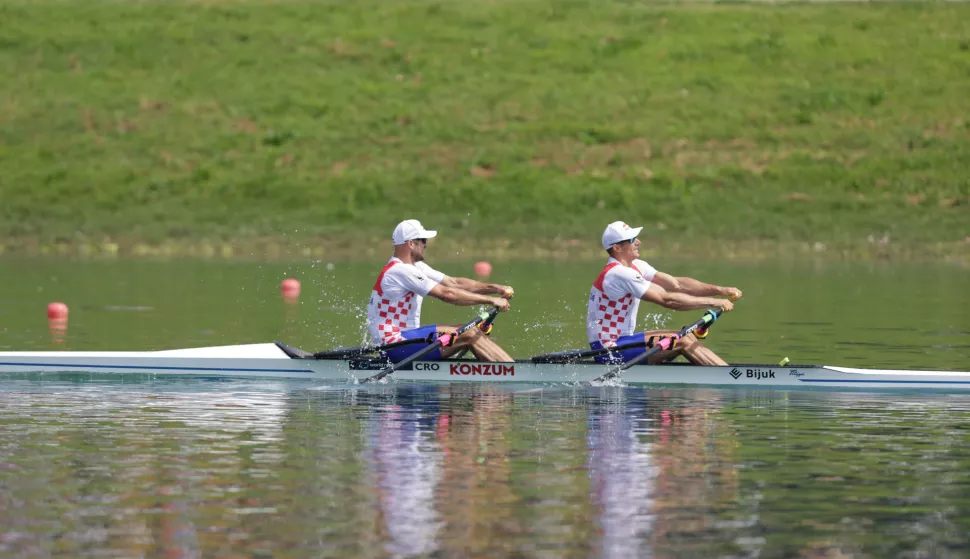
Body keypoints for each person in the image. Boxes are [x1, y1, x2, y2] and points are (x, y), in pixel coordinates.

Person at [587, 221, 741, 366]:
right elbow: (667, 300)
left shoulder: (636, 266)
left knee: (681, 336)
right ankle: (733, 376)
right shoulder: (618, 273)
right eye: (632, 239)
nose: (638, 241)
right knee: (683, 339)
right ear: (617, 248)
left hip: (624, 342)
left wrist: (720, 290)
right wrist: (714, 302)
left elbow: (677, 284)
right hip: (609, 349)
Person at [367, 219, 514, 363]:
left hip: (406, 340)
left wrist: (496, 288)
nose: (426, 245)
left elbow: (454, 283)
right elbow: (447, 294)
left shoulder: (415, 267)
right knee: (470, 332)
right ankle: (513, 372)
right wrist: (491, 300)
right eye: (423, 240)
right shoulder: (400, 271)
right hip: (395, 344)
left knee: (472, 332)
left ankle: (502, 371)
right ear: (411, 243)